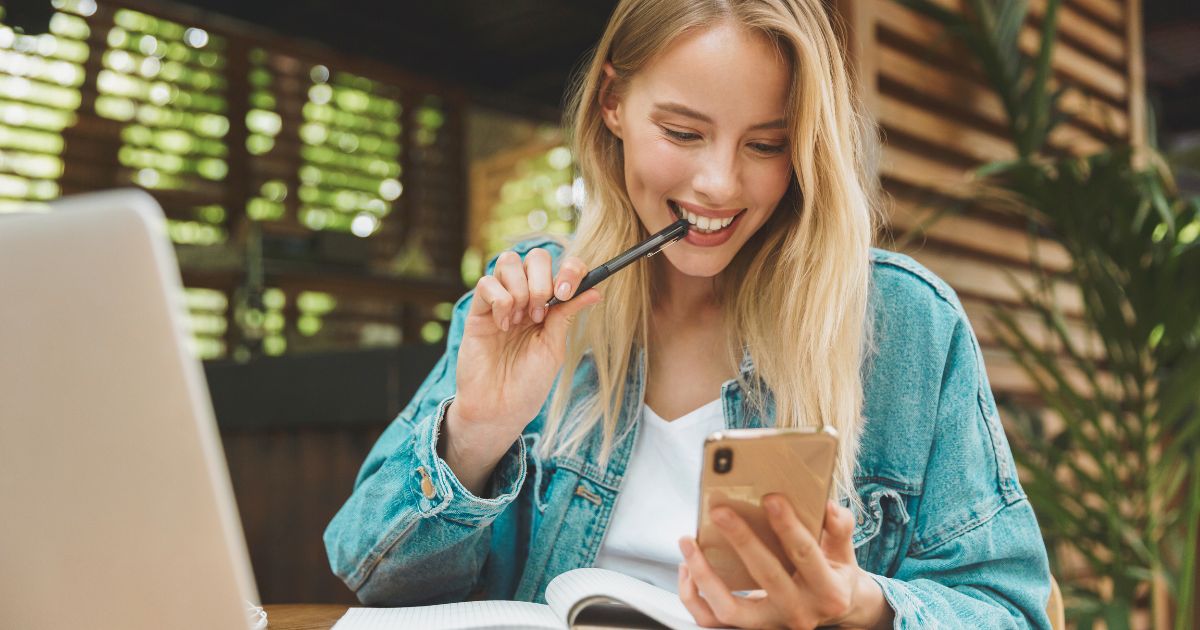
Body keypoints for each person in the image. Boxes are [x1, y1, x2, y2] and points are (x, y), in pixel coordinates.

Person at [324, 0, 1052, 627]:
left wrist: (857, 605)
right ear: (612, 102)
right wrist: (476, 434)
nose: (718, 184)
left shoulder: (904, 324)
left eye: (766, 144)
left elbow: (1010, 611)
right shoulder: (528, 302)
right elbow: (372, 574)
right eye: (681, 133)